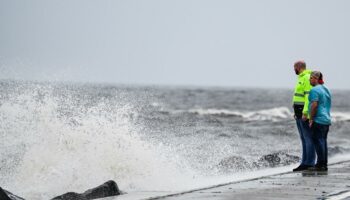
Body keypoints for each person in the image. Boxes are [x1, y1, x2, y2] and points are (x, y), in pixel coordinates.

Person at [292, 60, 315, 171]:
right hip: (298, 112)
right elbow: (298, 97)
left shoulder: (306, 77)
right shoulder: (300, 78)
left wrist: (306, 113)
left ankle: (309, 163)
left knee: (308, 138)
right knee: (303, 138)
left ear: (298, 67)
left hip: (304, 113)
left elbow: (308, 97)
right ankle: (304, 162)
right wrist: (295, 112)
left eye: (294, 67)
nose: (293, 70)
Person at [308, 71, 331, 171]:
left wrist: (311, 119)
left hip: (318, 120)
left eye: (311, 78)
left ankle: (320, 165)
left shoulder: (314, 90)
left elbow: (314, 105)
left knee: (318, 142)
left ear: (315, 79)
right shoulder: (326, 89)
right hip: (326, 119)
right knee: (323, 142)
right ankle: (323, 164)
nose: (309, 80)